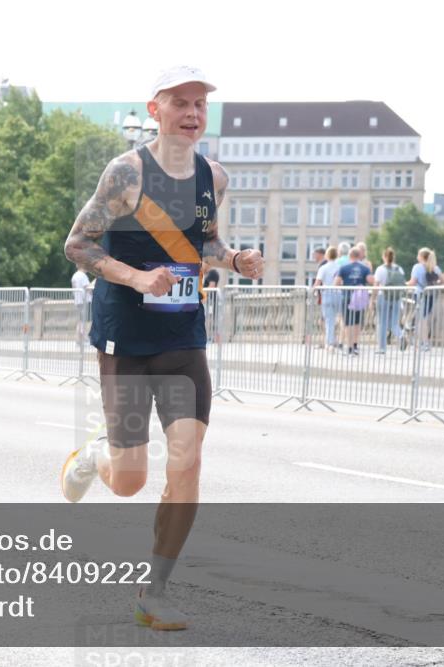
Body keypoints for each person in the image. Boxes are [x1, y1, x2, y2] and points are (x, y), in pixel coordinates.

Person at [60, 66, 263, 631]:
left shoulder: (213, 176)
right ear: (155, 109)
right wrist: (134, 277)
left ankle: (156, 591)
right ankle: (95, 456)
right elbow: (78, 243)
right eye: (181, 103)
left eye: (200, 105)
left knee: (189, 459)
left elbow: (205, 242)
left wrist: (234, 260)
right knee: (129, 481)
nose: (193, 115)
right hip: (125, 333)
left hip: (182, 334)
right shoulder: (126, 173)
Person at [334, 246, 374, 356]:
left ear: (349, 256)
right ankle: (355, 345)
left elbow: (336, 283)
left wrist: (344, 284)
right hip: (360, 297)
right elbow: (371, 281)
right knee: (357, 323)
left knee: (347, 323)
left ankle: (350, 346)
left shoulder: (344, 267)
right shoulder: (365, 268)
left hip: (347, 297)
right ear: (359, 256)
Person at [408, 247, 443, 351]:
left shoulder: (417, 267)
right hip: (431, 295)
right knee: (424, 319)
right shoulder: (435, 267)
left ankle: (423, 343)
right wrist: (436, 284)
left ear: (421, 257)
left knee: (421, 320)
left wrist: (404, 284)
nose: (417, 257)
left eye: (418, 255)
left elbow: (413, 282)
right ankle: (424, 342)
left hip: (420, 294)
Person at [373, 247, 405, 354]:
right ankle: (401, 335)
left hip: (384, 297)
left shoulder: (380, 269)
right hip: (396, 297)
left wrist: (373, 299)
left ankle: (382, 348)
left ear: (384, 256)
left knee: (382, 322)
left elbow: (376, 286)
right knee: (394, 322)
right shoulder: (399, 269)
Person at [313, 246, 342, 349]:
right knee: (339, 319)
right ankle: (337, 341)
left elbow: (317, 283)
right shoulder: (340, 267)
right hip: (338, 295)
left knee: (329, 320)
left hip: (327, 295)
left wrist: (313, 292)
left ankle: (329, 342)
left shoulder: (323, 268)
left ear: (327, 255)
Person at [72, 268, 91, 339]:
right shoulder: (83, 276)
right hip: (85, 301)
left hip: (78, 301)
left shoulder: (75, 275)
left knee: (80, 321)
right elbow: (88, 288)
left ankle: (79, 339)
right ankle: (84, 339)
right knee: (86, 322)